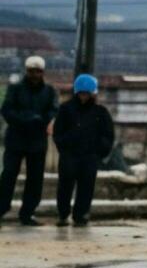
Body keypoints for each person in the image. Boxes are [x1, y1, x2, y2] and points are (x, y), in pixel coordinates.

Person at [1, 55, 59, 226]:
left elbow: (53, 110)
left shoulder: (49, 91)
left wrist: (40, 121)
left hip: (37, 140)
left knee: (35, 179)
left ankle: (27, 213)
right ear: (27, 71)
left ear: (43, 72)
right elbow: (6, 110)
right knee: (8, 175)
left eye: (38, 71)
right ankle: (2, 208)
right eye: (32, 71)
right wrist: (25, 119)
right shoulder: (15, 89)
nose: (34, 75)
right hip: (16, 139)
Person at [51, 74, 115, 228]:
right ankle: (63, 213)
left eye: (87, 93)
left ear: (93, 93)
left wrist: (99, 152)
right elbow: (58, 132)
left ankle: (81, 215)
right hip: (69, 155)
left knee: (86, 186)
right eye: (82, 93)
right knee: (65, 186)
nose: (84, 96)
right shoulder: (66, 109)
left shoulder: (100, 112)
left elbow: (108, 135)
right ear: (77, 92)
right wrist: (64, 147)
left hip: (90, 156)